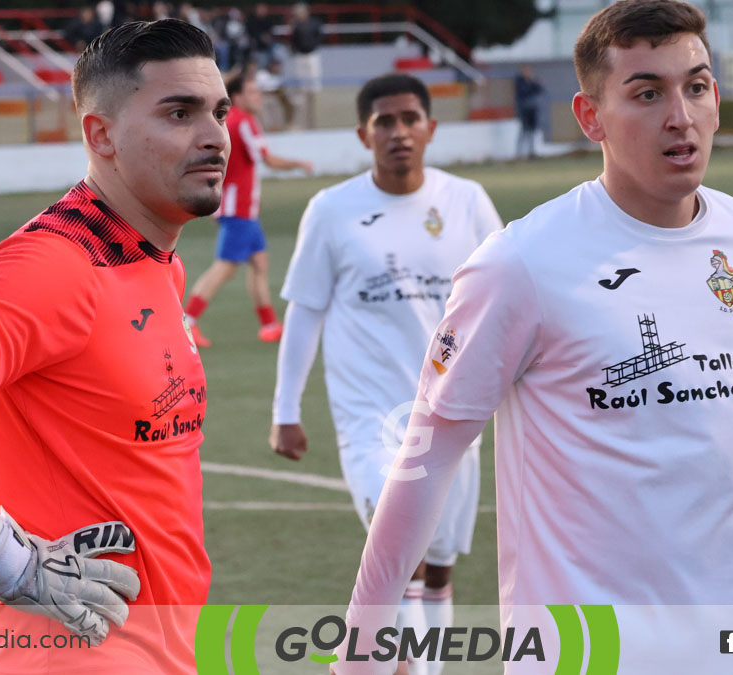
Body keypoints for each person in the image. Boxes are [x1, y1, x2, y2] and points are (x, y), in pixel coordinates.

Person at [333, 2, 733, 674]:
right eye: (647, 93)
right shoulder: (519, 264)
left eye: (696, 86)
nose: (680, 115)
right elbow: (428, 456)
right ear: (591, 118)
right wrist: (362, 650)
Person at [0, 19, 229, 674]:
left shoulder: (154, 263)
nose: (213, 136)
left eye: (218, 112)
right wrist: (3, 560)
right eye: (180, 113)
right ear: (101, 135)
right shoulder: (56, 264)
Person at [273, 73, 502, 675]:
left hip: (453, 412)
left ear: (430, 128)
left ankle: (428, 666)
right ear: (363, 133)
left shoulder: (468, 202)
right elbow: (305, 311)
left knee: (442, 559)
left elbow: (506, 303)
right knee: (405, 548)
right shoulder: (332, 210)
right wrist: (285, 411)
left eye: (409, 119)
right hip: (371, 417)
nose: (398, 132)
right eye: (385, 122)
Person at [184, 69, 313, 348]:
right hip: (238, 209)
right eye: (254, 92)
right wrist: (299, 164)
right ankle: (188, 321)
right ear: (239, 96)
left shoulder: (230, 121)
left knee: (259, 263)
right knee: (226, 267)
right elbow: (266, 159)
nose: (260, 98)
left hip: (240, 208)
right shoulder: (245, 122)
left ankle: (268, 324)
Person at [288, 2, 323, 128]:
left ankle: (312, 97)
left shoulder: (314, 23)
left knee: (313, 83)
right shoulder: (296, 25)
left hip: (311, 54)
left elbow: (318, 36)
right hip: (300, 56)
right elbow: (293, 40)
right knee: (302, 86)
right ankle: (304, 95)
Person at [514, 64, 545, 159]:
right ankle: (519, 153)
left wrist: (533, 81)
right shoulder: (519, 81)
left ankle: (531, 152)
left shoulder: (532, 81)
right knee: (524, 131)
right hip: (524, 110)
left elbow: (540, 89)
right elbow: (523, 93)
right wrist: (530, 84)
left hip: (532, 110)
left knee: (532, 132)